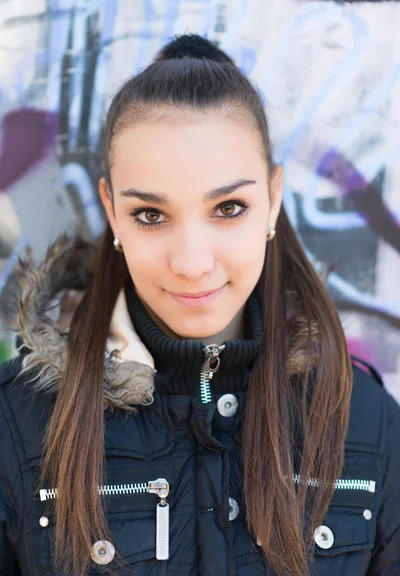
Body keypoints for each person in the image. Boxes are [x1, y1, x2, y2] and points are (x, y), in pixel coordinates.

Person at [0, 34, 399, 576]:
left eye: (229, 207)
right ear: (112, 213)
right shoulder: (15, 422)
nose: (191, 263)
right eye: (151, 215)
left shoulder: (367, 423)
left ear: (272, 201)